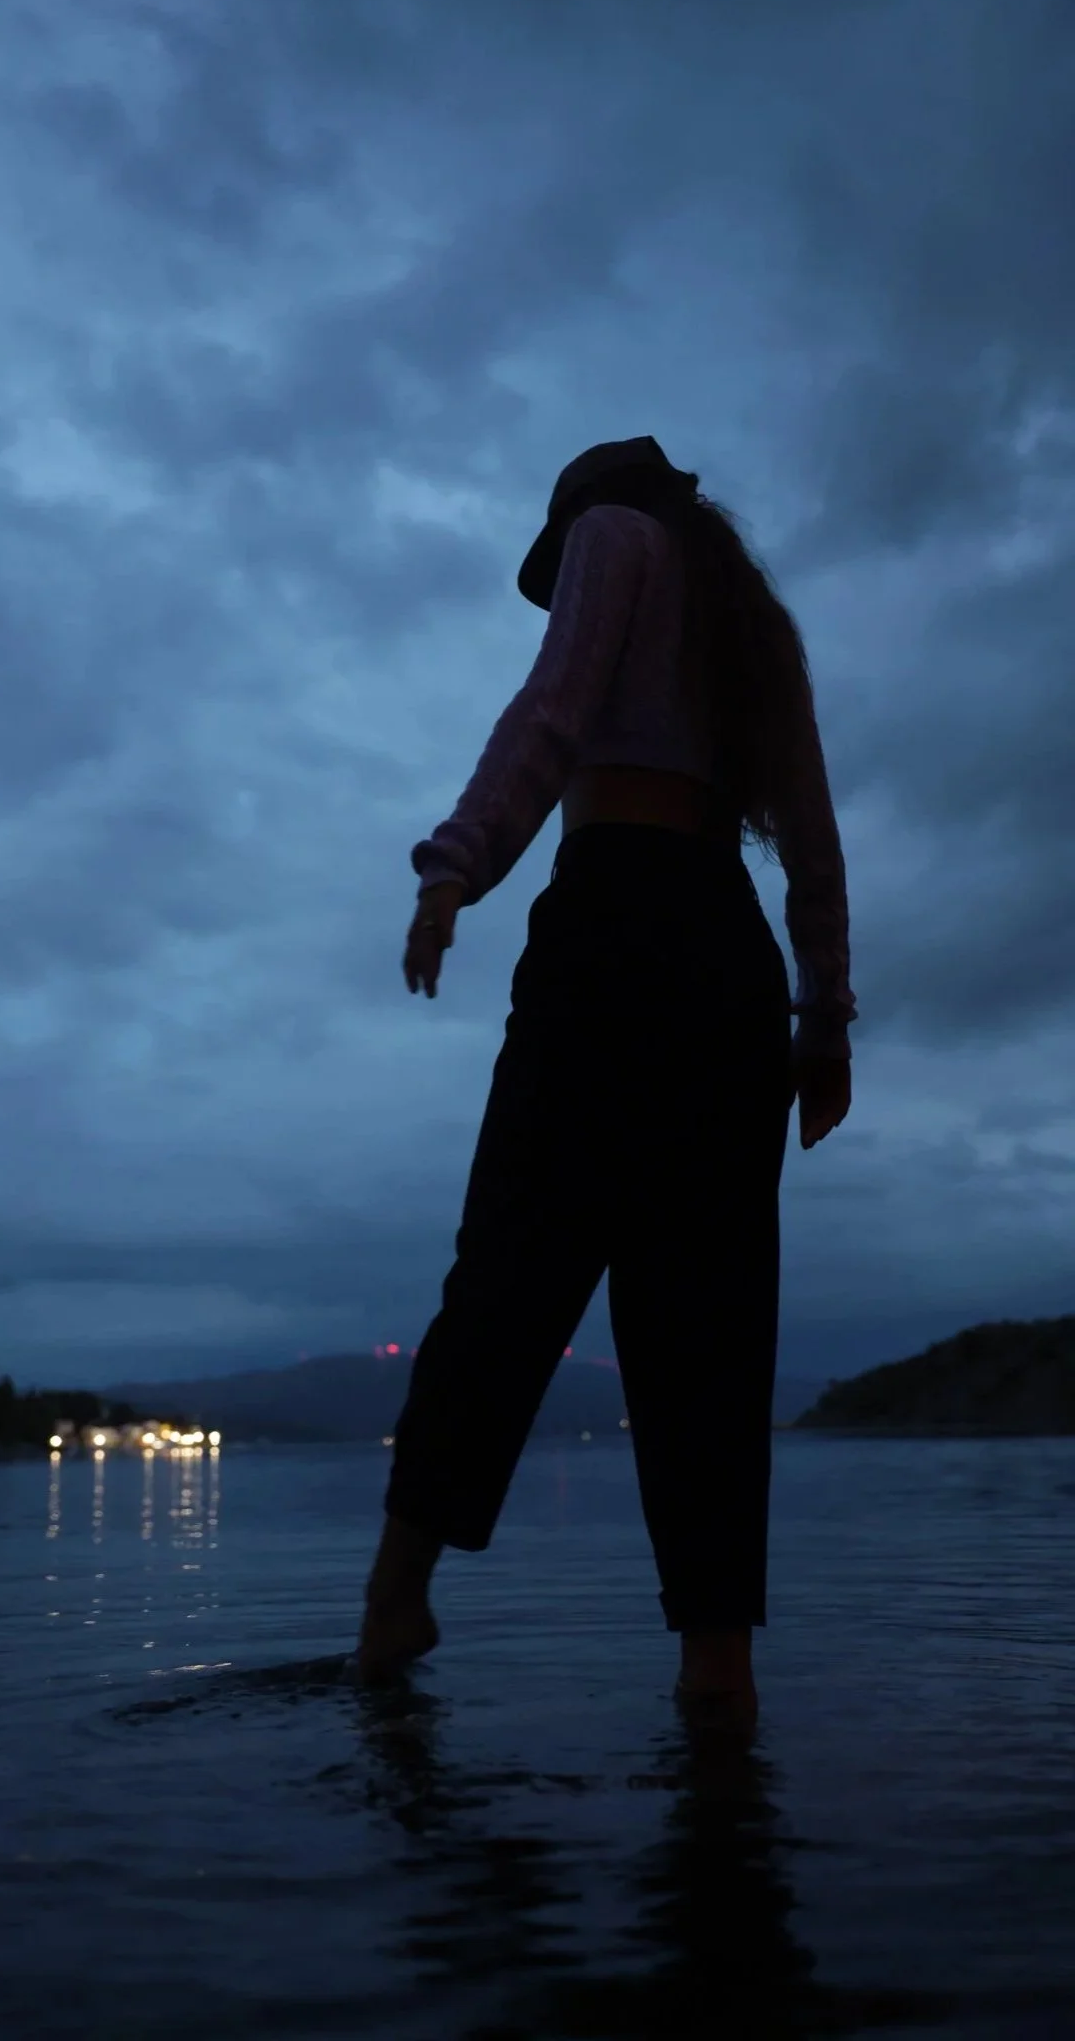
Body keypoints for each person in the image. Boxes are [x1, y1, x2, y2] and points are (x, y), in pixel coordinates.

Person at [352, 435, 856, 1733]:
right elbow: (808, 829)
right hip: (727, 958)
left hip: (615, 921)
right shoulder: (756, 620)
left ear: (584, 511)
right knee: (710, 1326)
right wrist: (821, 1022)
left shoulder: (609, 538)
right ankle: (716, 1666)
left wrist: (452, 867)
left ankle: (393, 1601)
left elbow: (552, 709)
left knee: (511, 1268)